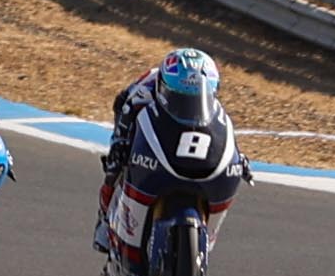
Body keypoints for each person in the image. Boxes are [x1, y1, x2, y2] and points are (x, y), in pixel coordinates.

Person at [100, 46, 252, 236]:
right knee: (114, 166)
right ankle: (103, 219)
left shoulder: (213, 105)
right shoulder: (143, 94)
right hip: (131, 113)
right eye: (180, 99)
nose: (187, 105)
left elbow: (221, 131)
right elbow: (124, 114)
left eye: (193, 99)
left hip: (185, 132)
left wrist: (238, 159)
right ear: (163, 87)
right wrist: (119, 144)